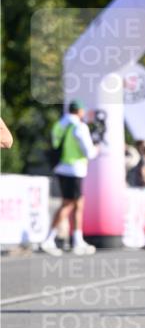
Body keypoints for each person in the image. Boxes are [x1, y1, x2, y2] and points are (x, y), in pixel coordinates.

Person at [40, 100, 98, 256]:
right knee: (68, 204)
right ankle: (49, 239)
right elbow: (89, 152)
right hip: (74, 169)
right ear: (79, 110)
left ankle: (78, 239)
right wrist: (97, 147)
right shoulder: (79, 126)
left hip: (61, 167)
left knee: (78, 203)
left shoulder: (59, 124)